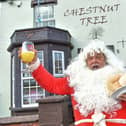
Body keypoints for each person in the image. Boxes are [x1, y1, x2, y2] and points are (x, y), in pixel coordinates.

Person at [18, 39, 126, 126]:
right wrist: (34, 64)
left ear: (105, 60)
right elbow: (52, 84)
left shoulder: (120, 79)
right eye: (90, 58)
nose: (94, 61)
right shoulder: (76, 80)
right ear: (85, 62)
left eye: (98, 57)